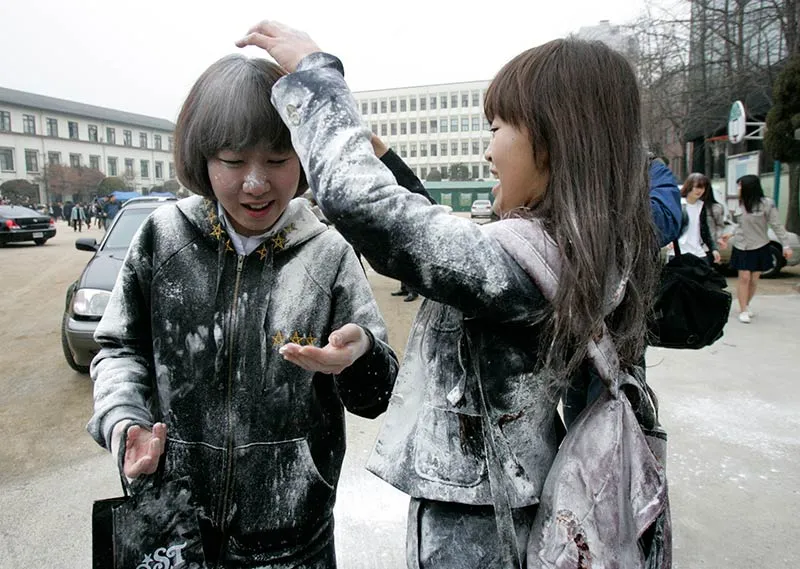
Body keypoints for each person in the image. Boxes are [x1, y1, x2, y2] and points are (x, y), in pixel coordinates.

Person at [238, 22, 665, 567]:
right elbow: (450, 254)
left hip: (484, 529)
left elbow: (376, 216)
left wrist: (317, 78)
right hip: (505, 502)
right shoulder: (576, 255)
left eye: (497, 128)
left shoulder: (528, 268)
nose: (488, 152)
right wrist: (387, 159)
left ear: (553, 142)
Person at [87, 53, 400, 568]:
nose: (256, 184)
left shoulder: (328, 254)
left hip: (292, 537)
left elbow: (377, 397)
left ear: (303, 158)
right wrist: (125, 423)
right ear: (203, 160)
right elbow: (120, 349)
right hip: (170, 524)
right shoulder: (163, 239)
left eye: (277, 160)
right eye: (233, 162)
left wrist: (360, 355)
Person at [725, 174, 792, 323]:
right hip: (742, 245)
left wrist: (786, 245)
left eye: (740, 186)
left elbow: (776, 225)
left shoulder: (767, 204)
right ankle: (743, 309)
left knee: (754, 279)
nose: (738, 189)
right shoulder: (739, 204)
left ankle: (747, 304)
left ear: (749, 187)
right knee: (744, 277)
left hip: (760, 245)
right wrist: (730, 234)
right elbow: (739, 224)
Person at [675, 172, 720, 264]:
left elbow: (705, 230)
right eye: (696, 187)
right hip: (679, 250)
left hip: (698, 251)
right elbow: (670, 226)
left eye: (702, 188)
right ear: (689, 186)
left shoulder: (701, 206)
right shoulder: (678, 204)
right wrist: (670, 241)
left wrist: (713, 248)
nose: (699, 191)